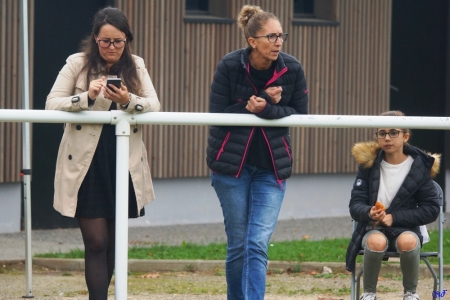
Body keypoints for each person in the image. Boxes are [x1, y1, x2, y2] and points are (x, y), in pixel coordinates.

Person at [46, 7, 160, 299]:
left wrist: (127, 99)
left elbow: (153, 105)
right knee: (96, 241)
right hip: (86, 163)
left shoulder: (137, 64)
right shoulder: (77, 63)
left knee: (112, 242)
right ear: (95, 39)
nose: (112, 48)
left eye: (118, 41)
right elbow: (51, 104)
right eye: (105, 41)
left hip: (122, 161)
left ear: (127, 40)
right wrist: (88, 97)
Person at [206, 5, 308, 300]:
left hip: (271, 169)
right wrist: (260, 100)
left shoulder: (292, 68)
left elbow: (301, 114)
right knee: (238, 244)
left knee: (257, 243)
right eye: (271, 36)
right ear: (252, 42)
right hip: (230, 168)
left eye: (281, 36)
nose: (278, 42)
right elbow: (218, 114)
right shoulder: (229, 65)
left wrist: (267, 109)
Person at [345, 110, 440, 300]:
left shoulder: (419, 167)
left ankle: (410, 293)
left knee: (409, 241)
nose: (387, 138)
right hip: (373, 228)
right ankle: (369, 293)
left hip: (406, 228)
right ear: (377, 136)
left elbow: (431, 209)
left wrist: (395, 217)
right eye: (382, 133)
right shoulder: (368, 165)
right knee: (376, 241)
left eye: (393, 132)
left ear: (405, 136)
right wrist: (369, 212)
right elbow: (355, 205)